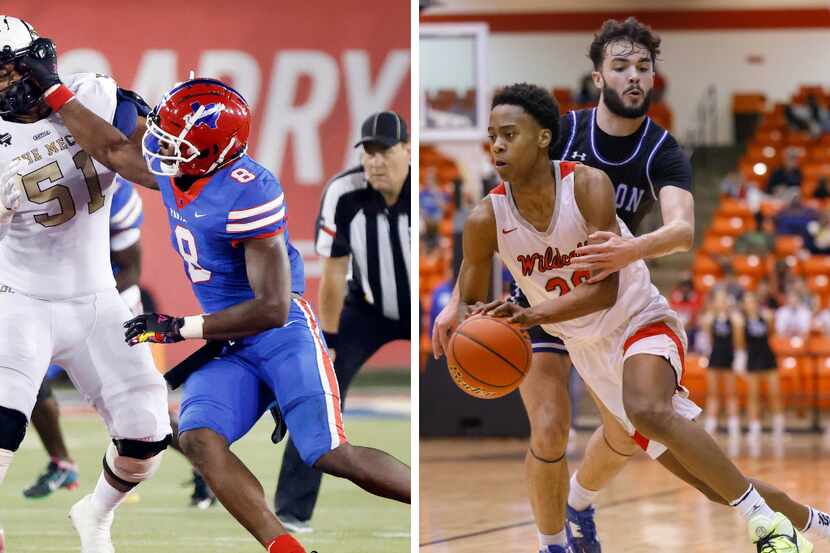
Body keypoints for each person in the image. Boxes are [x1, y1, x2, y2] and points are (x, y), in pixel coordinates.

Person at [22, 52, 412, 550]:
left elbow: (272, 307)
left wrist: (178, 327)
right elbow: (115, 151)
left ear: (211, 151)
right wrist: (54, 91)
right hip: (231, 344)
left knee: (327, 452)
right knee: (198, 439)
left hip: (278, 335)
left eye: (173, 138)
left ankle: (425, 505)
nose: (159, 142)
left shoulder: (249, 192)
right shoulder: (181, 168)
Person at [443, 81, 818, 552]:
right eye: (492, 135)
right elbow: (476, 305)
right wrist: (475, 321)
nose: (497, 144)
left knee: (646, 408)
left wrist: (530, 313)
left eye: (510, 134)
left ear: (542, 138)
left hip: (637, 318)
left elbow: (604, 292)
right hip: (586, 349)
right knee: (709, 482)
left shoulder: (586, 186)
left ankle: (763, 524)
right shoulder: (484, 219)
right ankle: (815, 524)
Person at [433, 17, 697, 553]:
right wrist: (458, 302)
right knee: (550, 427)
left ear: (653, 77)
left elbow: (682, 230)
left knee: (626, 433)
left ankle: (578, 502)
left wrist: (633, 249)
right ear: (598, 76)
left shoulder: (662, 151)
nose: (632, 77)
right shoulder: (560, 130)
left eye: (642, 68)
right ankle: (550, 543)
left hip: (605, 299)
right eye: (620, 66)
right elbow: (491, 227)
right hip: (538, 298)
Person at [0, 17, 172, 552]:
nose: (3, 85)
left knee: (147, 434)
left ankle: (94, 514)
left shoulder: (94, 92)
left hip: (99, 296)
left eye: (7, 70)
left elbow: (147, 167)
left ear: (35, 61)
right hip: (20, 298)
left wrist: (58, 96)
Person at [275, 111, 411, 533]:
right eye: (368, 153)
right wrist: (328, 340)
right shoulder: (344, 192)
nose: (375, 161)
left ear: (407, 150)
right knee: (316, 387)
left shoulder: (426, 189)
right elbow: (333, 273)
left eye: (385, 151)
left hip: (423, 306)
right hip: (366, 306)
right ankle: (291, 512)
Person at [23, 174, 143, 499]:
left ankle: (198, 461)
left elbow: (131, 266)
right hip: (44, 298)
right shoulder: (25, 169)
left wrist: (102, 312)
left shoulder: (113, 188)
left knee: (133, 404)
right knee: (24, 379)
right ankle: (62, 463)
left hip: (103, 302)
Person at [699, 287, 745, 440]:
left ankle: (733, 426)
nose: (721, 303)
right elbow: (708, 340)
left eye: (723, 300)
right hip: (715, 356)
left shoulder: (735, 319)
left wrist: (738, 358)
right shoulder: (709, 319)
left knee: (731, 393)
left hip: (729, 357)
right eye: (718, 300)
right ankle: (711, 426)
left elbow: (738, 341)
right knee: (713, 393)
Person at [742, 290, 785, 447]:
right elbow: (740, 342)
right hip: (753, 357)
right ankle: (755, 428)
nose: (750, 305)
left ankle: (778, 427)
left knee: (775, 393)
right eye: (747, 302)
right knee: (753, 395)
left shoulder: (766, 317)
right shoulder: (741, 321)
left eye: (752, 301)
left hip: (767, 356)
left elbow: (772, 333)